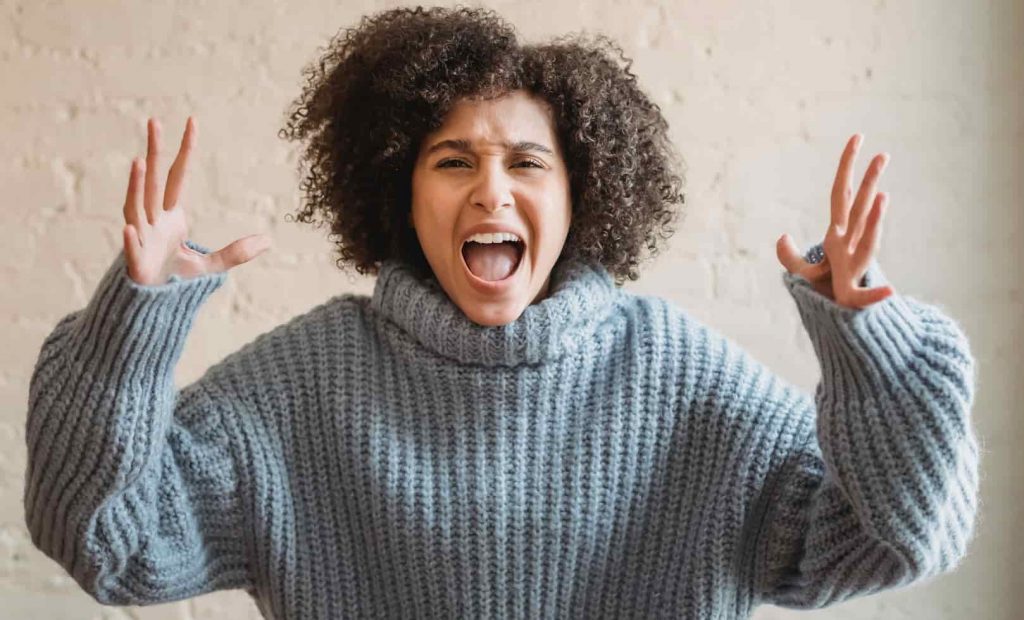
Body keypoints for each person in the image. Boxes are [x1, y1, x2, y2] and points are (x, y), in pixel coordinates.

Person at [23, 6, 979, 619]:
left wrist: (875, 351)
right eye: (451, 161)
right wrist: (128, 331)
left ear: (580, 197)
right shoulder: (299, 388)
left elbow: (901, 540)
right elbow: (109, 548)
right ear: (399, 196)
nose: (490, 191)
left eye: (526, 162)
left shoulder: (681, 380)